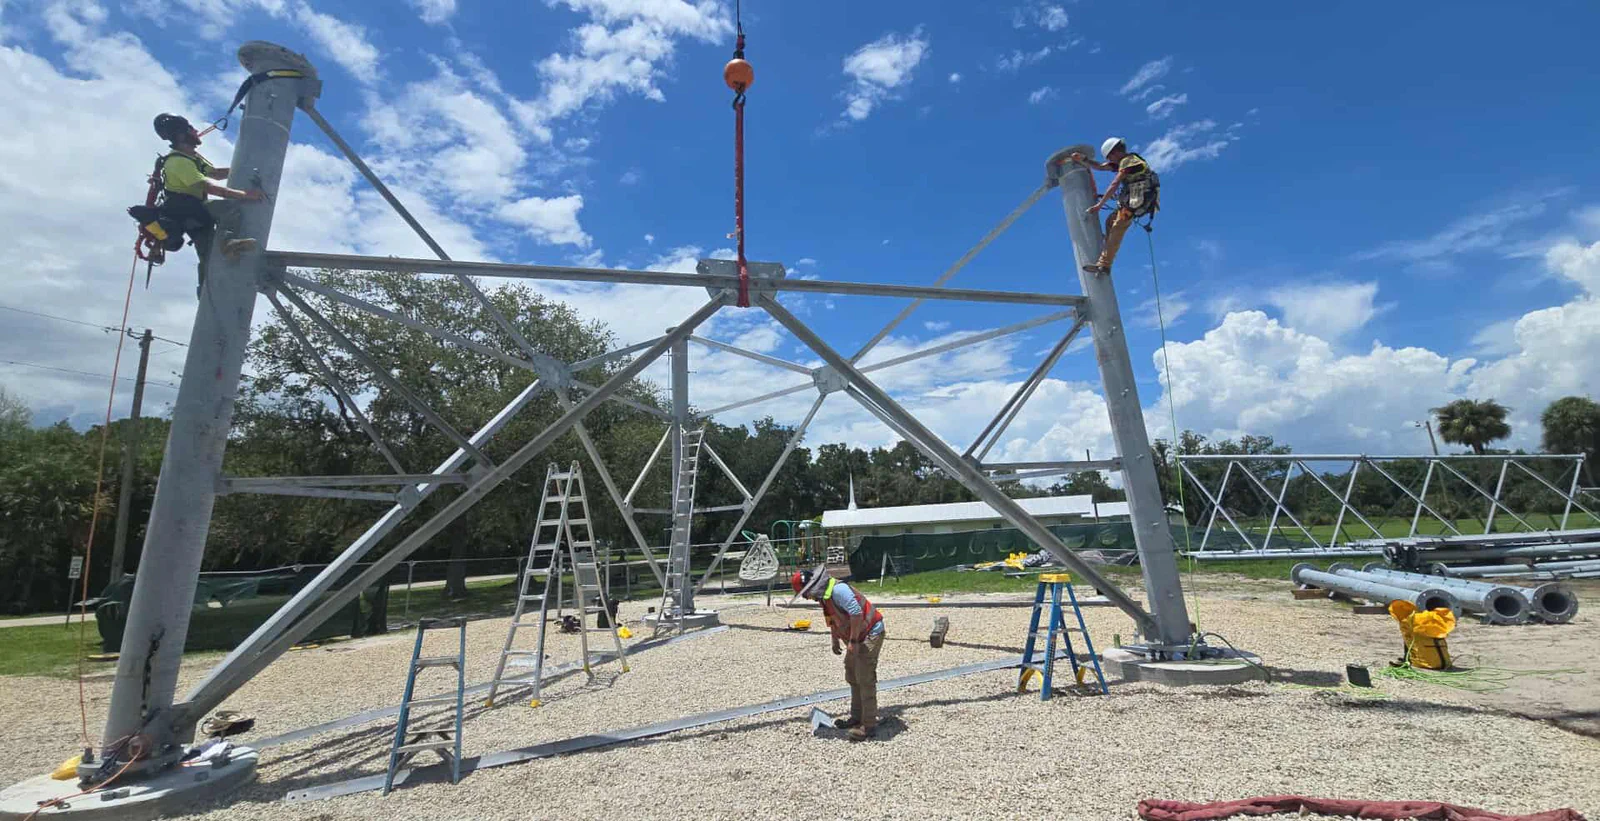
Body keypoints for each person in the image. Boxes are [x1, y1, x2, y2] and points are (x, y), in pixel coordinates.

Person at [151, 113, 265, 295]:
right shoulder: (178, 162)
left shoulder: (191, 158)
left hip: (194, 214)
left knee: (208, 256)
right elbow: (210, 188)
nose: (196, 131)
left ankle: (205, 291)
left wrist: (247, 166)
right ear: (181, 135)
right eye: (191, 129)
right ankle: (228, 242)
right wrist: (244, 195)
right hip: (189, 211)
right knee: (230, 207)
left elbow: (217, 174)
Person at [792, 569, 885, 741]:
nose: (807, 598)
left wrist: (854, 642)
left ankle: (869, 726)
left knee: (864, 677)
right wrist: (835, 640)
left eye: (805, 594)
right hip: (857, 637)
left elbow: (856, 614)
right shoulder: (825, 597)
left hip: (870, 633)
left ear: (811, 587)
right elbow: (833, 619)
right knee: (852, 674)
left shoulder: (838, 591)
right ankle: (856, 718)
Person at [1069, 136, 1159, 276]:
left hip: (1139, 200)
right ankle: (1107, 249)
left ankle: (1104, 264)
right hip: (1133, 200)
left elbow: (1115, 184)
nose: (1109, 161)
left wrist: (1100, 205)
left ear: (1114, 153)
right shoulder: (1122, 162)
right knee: (1110, 221)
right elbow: (1100, 166)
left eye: (1110, 158)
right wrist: (1084, 159)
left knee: (1118, 226)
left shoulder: (1129, 161)